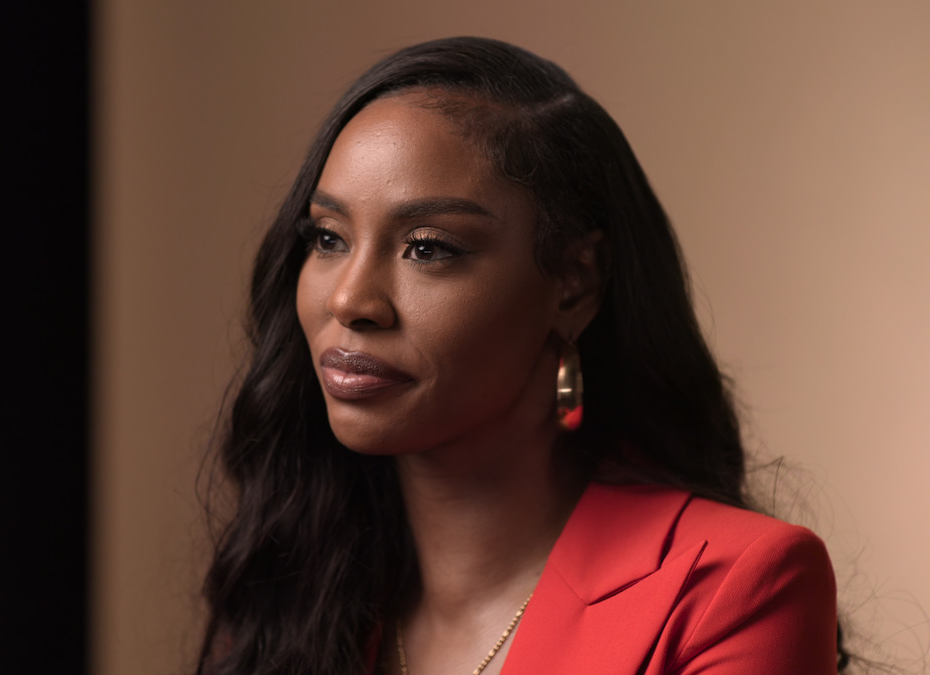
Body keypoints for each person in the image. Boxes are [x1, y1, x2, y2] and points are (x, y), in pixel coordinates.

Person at [196, 37, 845, 674]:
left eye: (427, 247)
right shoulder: (289, 596)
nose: (349, 299)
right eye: (328, 238)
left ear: (575, 282)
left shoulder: (729, 593)